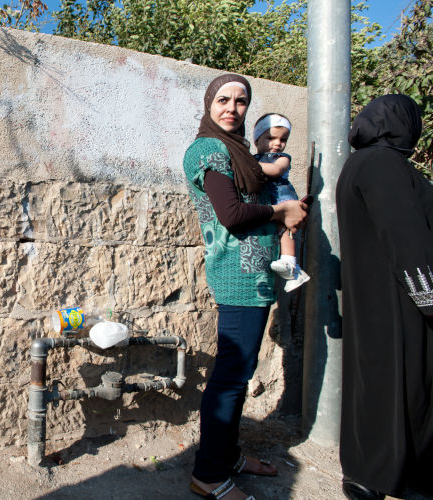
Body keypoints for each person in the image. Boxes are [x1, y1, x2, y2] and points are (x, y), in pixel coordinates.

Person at [182, 74, 307, 499]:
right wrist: (281, 210)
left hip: (254, 277)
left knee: (242, 371)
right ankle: (208, 475)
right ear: (208, 103)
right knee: (231, 376)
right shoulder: (208, 149)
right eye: (222, 100)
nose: (231, 108)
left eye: (240, 101)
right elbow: (232, 214)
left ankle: (228, 456)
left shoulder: (237, 152)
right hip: (235, 276)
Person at [336, 94, 433, 500]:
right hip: (400, 302)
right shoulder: (382, 165)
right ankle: (401, 476)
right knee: (408, 386)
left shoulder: (362, 164)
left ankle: (368, 473)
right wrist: (429, 297)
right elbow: (405, 238)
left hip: (375, 297)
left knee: (375, 384)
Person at [253, 113, 310, 292]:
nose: (277, 143)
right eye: (271, 138)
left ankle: (291, 262)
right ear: (257, 140)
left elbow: (276, 170)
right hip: (268, 200)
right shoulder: (254, 159)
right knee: (277, 231)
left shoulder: (282, 158)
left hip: (282, 197)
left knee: (285, 229)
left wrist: (248, 165)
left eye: (283, 139)